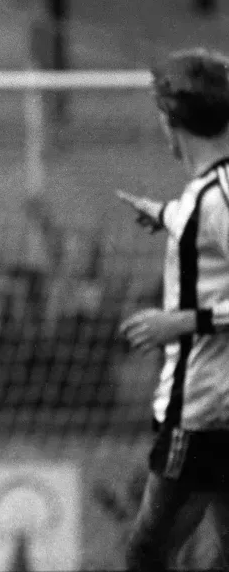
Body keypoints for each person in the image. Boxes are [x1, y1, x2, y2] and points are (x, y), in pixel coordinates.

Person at [116, 48, 229, 571]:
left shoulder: (217, 200)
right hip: (214, 407)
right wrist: (164, 215)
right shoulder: (208, 193)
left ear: (171, 120)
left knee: (147, 554)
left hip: (204, 411)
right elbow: (204, 221)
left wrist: (183, 322)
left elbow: (215, 218)